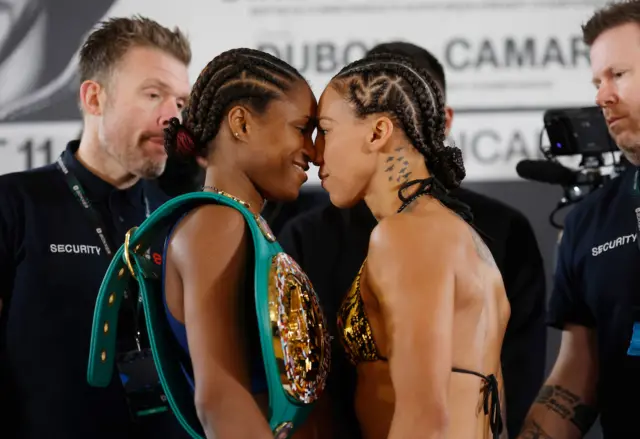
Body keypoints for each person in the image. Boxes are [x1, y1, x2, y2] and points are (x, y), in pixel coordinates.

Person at [277, 41, 546, 439]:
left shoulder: (405, 235)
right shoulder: (446, 229)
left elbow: (425, 416)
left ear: (378, 132)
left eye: (327, 131)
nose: (316, 153)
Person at [0, 16, 191, 439]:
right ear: (93, 98)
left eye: (179, 102)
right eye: (153, 94)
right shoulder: (14, 204)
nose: (171, 117)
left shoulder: (180, 220)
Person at [160, 48, 332, 439]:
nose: (313, 150)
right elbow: (219, 398)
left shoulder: (240, 223)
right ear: (241, 123)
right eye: (301, 129)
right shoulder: (217, 223)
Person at [517, 2, 640, 438]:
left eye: (618, 75)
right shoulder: (587, 223)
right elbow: (576, 375)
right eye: (597, 80)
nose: (602, 96)